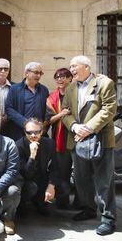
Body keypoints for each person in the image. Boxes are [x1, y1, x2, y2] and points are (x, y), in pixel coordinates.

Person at [62, 55, 117, 236]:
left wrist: (89, 127)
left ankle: (108, 218)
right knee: (81, 179)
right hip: (78, 139)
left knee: (104, 181)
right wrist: (75, 126)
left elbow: (109, 109)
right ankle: (88, 209)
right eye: (70, 66)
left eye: (74, 66)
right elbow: (65, 112)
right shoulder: (70, 88)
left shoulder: (104, 83)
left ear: (86, 66)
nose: (71, 70)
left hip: (100, 139)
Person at [46, 68, 75, 209]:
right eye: (57, 77)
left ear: (70, 78)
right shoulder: (51, 98)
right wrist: (62, 114)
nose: (60, 79)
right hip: (59, 139)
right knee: (62, 172)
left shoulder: (76, 94)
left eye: (63, 76)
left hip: (77, 137)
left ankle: (81, 203)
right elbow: (48, 120)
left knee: (80, 174)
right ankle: (62, 201)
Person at [16, 118, 58, 216]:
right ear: (24, 132)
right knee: (31, 187)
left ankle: (40, 202)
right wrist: (32, 155)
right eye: (29, 132)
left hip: (42, 178)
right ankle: (22, 205)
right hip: (26, 182)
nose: (33, 135)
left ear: (42, 131)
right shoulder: (18, 146)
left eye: (36, 132)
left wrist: (51, 186)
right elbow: (26, 174)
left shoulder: (50, 143)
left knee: (63, 187)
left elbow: (55, 168)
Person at [5, 62, 49, 141]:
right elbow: (9, 109)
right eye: (36, 72)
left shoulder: (44, 90)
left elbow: (47, 111)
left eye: (40, 73)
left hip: (38, 134)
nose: (38, 76)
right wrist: (26, 123)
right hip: (20, 132)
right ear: (26, 73)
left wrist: (44, 126)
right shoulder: (14, 89)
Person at [0, 58, 13, 137]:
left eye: (6, 69)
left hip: (9, 124)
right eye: (0, 69)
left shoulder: (14, 87)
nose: (3, 71)